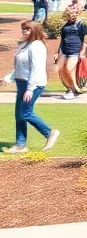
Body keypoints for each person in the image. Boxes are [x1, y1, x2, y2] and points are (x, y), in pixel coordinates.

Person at [2, 22, 60, 153]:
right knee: (19, 115)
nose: (25, 32)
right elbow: (20, 67)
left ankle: (49, 132)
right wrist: (8, 78)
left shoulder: (37, 46)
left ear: (35, 30)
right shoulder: (25, 45)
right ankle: (20, 145)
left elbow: (36, 69)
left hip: (33, 84)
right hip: (22, 82)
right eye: (23, 30)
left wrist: (30, 88)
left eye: (28, 30)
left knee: (25, 113)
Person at [55, 5, 87, 99]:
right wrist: (57, 52)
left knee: (68, 69)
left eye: (76, 13)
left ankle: (74, 88)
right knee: (60, 69)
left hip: (75, 50)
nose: (74, 14)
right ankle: (69, 88)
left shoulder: (81, 24)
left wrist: (83, 51)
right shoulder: (65, 25)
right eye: (72, 13)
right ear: (67, 14)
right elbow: (62, 39)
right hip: (64, 49)